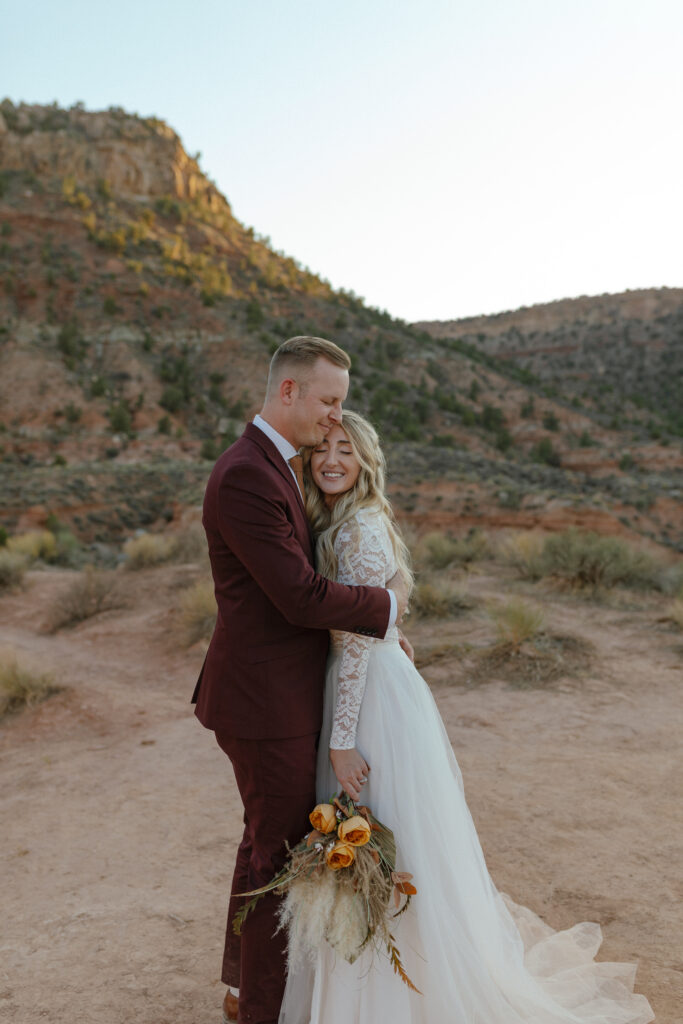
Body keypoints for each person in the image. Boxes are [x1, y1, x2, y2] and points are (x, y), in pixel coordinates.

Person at [278, 410, 655, 1024]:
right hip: (380, 682)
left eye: (346, 450)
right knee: (387, 838)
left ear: (366, 459)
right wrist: (391, 631)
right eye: (323, 448)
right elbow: (374, 616)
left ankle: (388, 1000)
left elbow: (351, 642)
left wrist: (342, 739)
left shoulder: (359, 530)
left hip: (369, 699)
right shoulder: (349, 521)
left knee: (378, 834)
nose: (332, 460)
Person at [192, 337, 410, 1024]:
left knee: (265, 840)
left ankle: (240, 988)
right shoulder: (248, 475)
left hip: (275, 693)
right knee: (279, 861)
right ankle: (260, 1011)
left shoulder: (277, 464)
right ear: (288, 391)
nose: (332, 418)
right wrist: (387, 603)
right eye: (327, 401)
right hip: (266, 702)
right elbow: (299, 597)